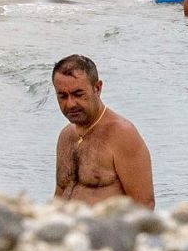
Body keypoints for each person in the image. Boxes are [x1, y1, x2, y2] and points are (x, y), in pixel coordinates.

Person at [51, 54, 154, 208]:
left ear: (97, 88)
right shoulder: (66, 136)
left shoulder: (122, 134)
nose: (70, 104)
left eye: (78, 94)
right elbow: (59, 196)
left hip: (104, 230)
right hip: (66, 230)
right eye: (62, 96)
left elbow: (144, 205)